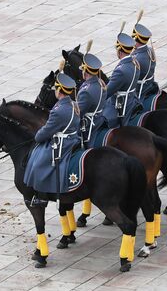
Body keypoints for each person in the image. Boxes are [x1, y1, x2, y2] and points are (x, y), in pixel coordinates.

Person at [23, 73, 81, 205]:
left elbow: (45, 132)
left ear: (60, 90)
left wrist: (37, 135)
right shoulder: (73, 104)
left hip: (63, 144)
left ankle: (42, 196)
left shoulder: (59, 110)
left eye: (56, 89)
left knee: (38, 163)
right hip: (73, 138)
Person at [102, 33, 141, 128]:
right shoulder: (135, 62)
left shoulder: (120, 70)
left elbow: (106, 93)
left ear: (119, 51)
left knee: (99, 122)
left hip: (119, 105)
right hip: (132, 99)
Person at [77, 52, 106, 147]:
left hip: (89, 125)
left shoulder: (86, 91)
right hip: (100, 118)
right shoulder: (101, 83)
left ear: (85, 71)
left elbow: (78, 114)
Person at [131, 22, 158, 104]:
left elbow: (130, 78)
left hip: (140, 90)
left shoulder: (137, 58)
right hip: (150, 84)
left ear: (135, 39)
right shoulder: (150, 50)